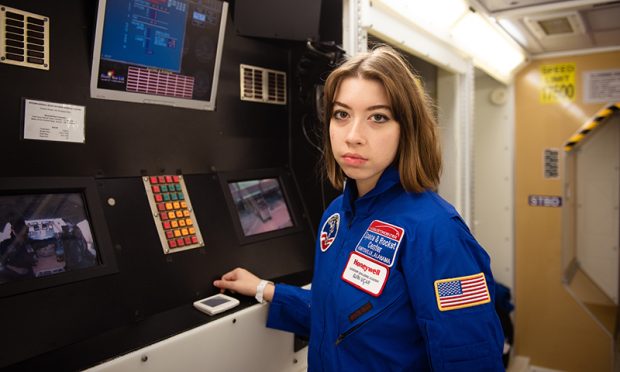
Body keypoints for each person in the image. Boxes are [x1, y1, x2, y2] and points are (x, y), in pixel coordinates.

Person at [214, 45, 505, 371]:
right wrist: (265, 289)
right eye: (342, 114)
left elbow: (471, 360)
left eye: (377, 118)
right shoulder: (336, 216)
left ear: (406, 130)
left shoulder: (438, 232)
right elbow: (340, 315)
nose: (353, 136)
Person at [0, 217, 37, 282]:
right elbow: (1, 262)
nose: (23, 233)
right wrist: (16, 269)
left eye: (25, 229)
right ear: (13, 230)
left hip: (29, 275)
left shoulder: (29, 242)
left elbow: (37, 247)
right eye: (19, 229)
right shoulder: (5, 244)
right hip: (10, 277)